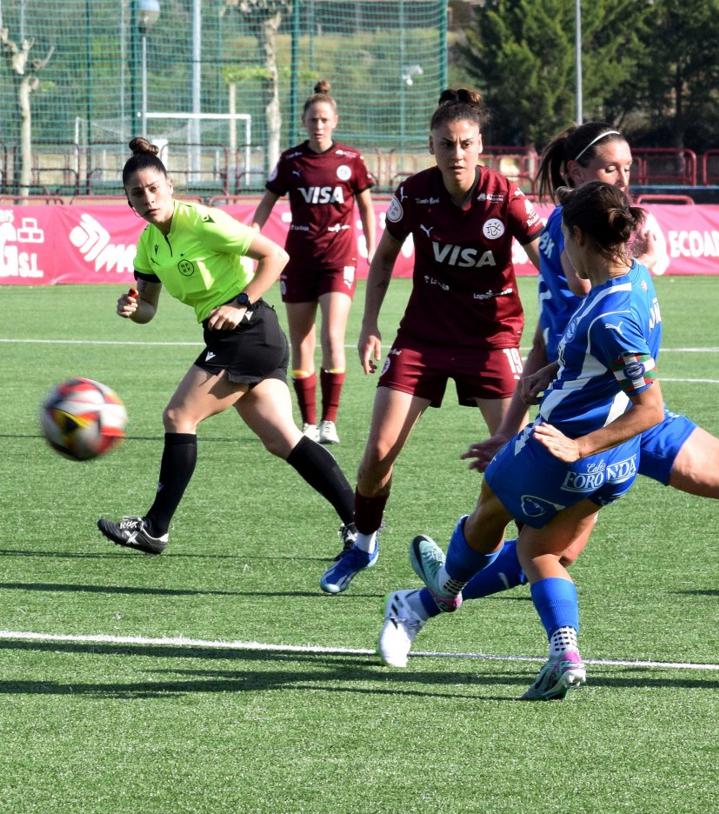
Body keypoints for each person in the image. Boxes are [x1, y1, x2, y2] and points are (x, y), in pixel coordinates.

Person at [391, 121, 719, 669]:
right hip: (596, 420)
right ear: (578, 173)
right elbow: (578, 317)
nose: (624, 179)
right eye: (611, 169)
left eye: (628, 168)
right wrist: (516, 427)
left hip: (636, 414)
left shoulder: (603, 232)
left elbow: (572, 332)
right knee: (549, 552)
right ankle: (422, 602)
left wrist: (644, 265)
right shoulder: (570, 234)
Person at [381, 181, 665, 700]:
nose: (559, 251)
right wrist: (558, 369)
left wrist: (578, 446)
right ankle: (565, 653)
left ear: (578, 236)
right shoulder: (635, 280)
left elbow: (652, 407)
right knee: (539, 553)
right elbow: (611, 360)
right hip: (616, 465)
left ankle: (444, 591)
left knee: (490, 500)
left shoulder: (609, 315)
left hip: (566, 449)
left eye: (563, 240)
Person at [318, 88, 543, 594]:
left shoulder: (505, 194)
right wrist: (369, 324)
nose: (456, 153)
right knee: (377, 452)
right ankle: (363, 543)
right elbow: (382, 260)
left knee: (519, 458)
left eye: (465, 143)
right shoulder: (414, 192)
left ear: (480, 144)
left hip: (492, 340)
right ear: (432, 146)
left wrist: (573, 293)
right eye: (446, 144)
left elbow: (547, 258)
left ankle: (530, 555)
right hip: (422, 338)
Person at [98, 138, 358, 559]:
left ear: (169, 186)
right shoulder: (148, 243)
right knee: (283, 439)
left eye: (153, 188)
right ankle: (358, 523)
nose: (147, 199)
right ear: (128, 200)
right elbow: (148, 307)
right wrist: (132, 309)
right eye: (137, 193)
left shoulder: (201, 221)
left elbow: (276, 255)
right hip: (235, 336)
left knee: (178, 415)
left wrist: (240, 303)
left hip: (249, 332)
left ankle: (155, 528)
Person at [251, 80, 376, 447]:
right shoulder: (292, 161)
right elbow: (266, 204)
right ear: (304, 122)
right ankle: (307, 423)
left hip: (339, 259)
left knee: (332, 336)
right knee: (302, 341)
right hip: (299, 260)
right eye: (312, 120)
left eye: (324, 119)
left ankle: (329, 421)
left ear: (334, 120)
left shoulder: (351, 161)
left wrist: (372, 245)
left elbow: (367, 207)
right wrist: (250, 241)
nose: (318, 125)